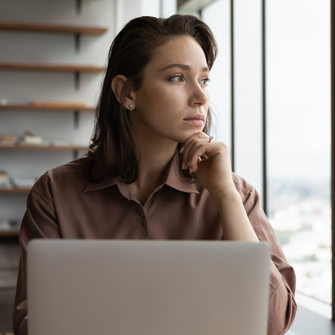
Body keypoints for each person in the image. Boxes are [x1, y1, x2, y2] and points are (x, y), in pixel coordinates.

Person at [12, 14, 297, 335]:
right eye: (177, 78)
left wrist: (225, 194)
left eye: (203, 80)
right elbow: (31, 324)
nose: (201, 97)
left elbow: (274, 323)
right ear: (127, 93)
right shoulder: (54, 194)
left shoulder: (236, 194)